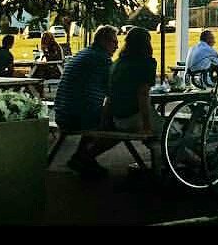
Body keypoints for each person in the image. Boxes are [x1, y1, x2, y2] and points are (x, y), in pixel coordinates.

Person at [54, 25, 119, 179]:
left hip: (62, 113)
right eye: (114, 42)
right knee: (120, 124)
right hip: (78, 116)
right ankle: (85, 157)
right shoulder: (101, 59)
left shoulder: (84, 53)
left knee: (95, 111)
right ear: (103, 41)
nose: (117, 46)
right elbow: (115, 90)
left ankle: (83, 157)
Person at [107, 26, 162, 172]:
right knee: (172, 132)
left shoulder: (117, 64)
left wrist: (104, 122)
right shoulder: (146, 63)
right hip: (135, 118)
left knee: (163, 133)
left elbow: (109, 96)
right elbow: (143, 95)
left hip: (118, 119)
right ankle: (196, 161)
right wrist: (146, 126)